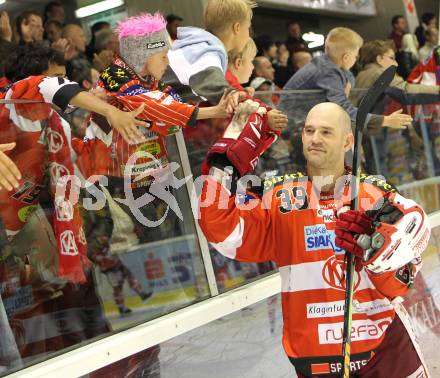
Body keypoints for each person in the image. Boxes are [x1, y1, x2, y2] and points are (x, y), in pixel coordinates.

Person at [199, 101, 430, 377]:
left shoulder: (376, 194)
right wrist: (225, 160)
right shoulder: (276, 197)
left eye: (326, 132)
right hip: (316, 357)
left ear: (348, 141)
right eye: (309, 130)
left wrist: (373, 253)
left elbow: (398, 284)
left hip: (386, 351)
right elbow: (220, 230)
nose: (315, 139)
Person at [281, 27, 413, 134]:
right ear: (345, 57)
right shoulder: (328, 72)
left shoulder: (329, 65)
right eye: (355, 56)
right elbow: (345, 109)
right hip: (293, 128)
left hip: (304, 124)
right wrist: (386, 120)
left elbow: (348, 81)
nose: (356, 60)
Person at [162, 0, 254, 106]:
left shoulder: (199, 46)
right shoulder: (207, 53)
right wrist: (234, 95)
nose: (249, 35)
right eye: (248, 28)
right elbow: (211, 84)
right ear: (237, 28)